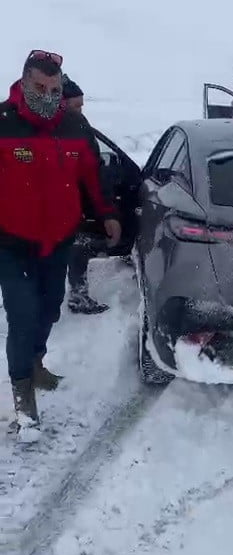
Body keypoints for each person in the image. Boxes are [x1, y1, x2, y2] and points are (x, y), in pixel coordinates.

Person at [0, 51, 121, 436]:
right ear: (24, 82)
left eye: (54, 89)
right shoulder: (3, 123)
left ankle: (35, 363)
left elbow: (93, 175)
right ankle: (23, 398)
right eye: (40, 88)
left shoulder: (74, 125)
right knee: (22, 315)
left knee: (49, 309)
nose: (48, 96)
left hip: (58, 239)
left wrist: (108, 213)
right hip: (11, 241)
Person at [62, 74, 111, 314]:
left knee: (77, 246)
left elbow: (93, 166)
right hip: (56, 203)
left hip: (74, 201)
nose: (80, 111)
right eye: (76, 106)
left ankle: (77, 295)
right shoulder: (48, 129)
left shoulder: (80, 126)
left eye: (82, 105)